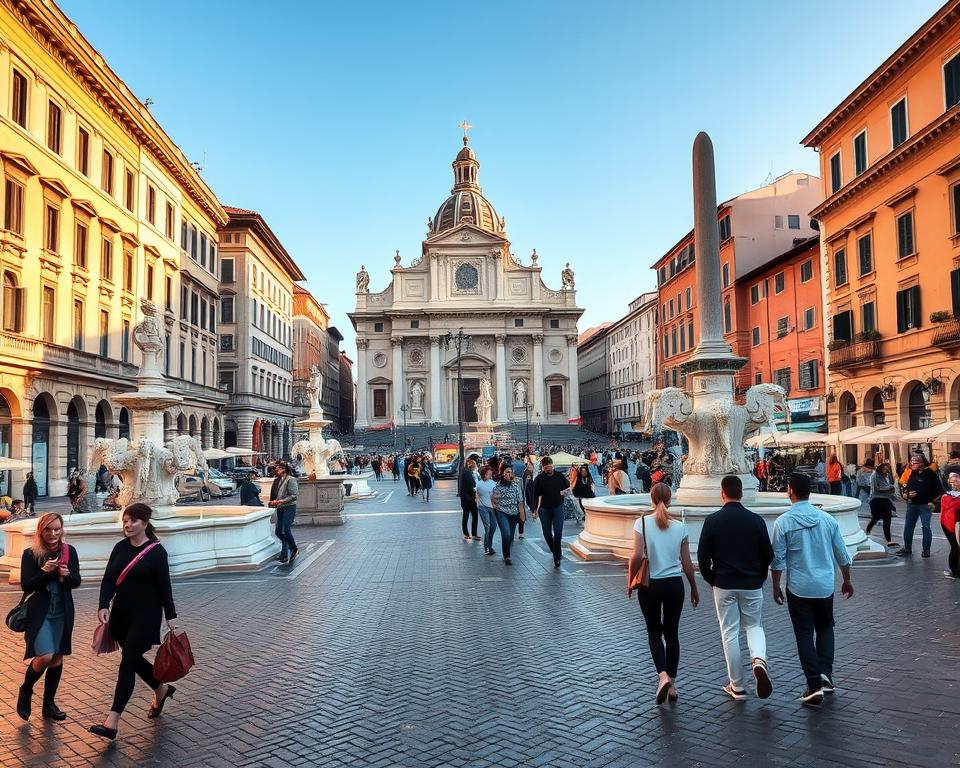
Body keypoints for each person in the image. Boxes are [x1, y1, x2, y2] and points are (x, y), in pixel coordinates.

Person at [90, 504, 179, 740]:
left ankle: (112, 720)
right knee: (132, 659)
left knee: (128, 663)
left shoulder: (157, 552)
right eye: (125, 521)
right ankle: (161, 689)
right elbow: (109, 579)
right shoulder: (120, 548)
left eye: (133, 521)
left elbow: (164, 588)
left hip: (146, 616)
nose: (128, 525)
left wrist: (171, 618)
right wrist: (103, 604)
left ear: (145, 523)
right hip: (121, 615)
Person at [771, 473, 854, 706]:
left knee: (804, 633)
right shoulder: (827, 520)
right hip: (825, 585)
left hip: (798, 586)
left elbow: (778, 560)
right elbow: (843, 556)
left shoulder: (783, 522)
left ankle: (813, 683)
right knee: (826, 627)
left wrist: (775, 585)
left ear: (790, 491)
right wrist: (846, 580)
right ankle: (825, 674)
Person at [697, 476, 774, 700]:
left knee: (729, 632)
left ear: (722, 493)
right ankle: (759, 659)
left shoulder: (712, 521)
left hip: (724, 583)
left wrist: (712, 579)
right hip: (751, 583)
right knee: (754, 626)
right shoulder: (756, 520)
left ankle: (737, 685)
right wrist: (759, 576)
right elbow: (768, 554)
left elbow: (703, 557)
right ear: (741, 493)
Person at [627, 483, 698, 704]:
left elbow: (636, 556)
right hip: (674, 585)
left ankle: (662, 676)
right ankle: (673, 684)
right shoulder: (680, 527)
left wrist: (630, 582)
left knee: (654, 632)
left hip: (650, 586)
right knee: (672, 633)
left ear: (651, 497)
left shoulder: (642, 523)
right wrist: (694, 587)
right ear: (670, 500)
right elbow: (687, 563)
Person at [17, 513, 81, 721]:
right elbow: (27, 585)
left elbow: (76, 582)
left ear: (62, 529)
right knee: (44, 655)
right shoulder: (31, 554)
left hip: (63, 611)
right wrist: (45, 571)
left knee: (57, 656)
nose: (53, 533)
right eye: (48, 529)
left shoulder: (69, 551)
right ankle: (26, 690)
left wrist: (67, 576)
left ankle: (49, 705)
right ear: (40, 531)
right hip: (41, 613)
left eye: (57, 529)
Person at [896, 453, 941, 558]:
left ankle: (926, 550)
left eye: (915, 462)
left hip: (925, 505)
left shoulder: (930, 473)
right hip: (912, 505)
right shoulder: (911, 473)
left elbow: (939, 490)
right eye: (911, 462)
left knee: (925, 527)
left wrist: (933, 502)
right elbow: (904, 488)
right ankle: (907, 547)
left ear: (922, 463)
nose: (912, 464)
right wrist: (906, 495)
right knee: (908, 526)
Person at [532, 456, 571, 568]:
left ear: (552, 466)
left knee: (558, 533)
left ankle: (557, 558)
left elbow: (569, 486)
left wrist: (565, 491)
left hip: (558, 507)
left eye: (549, 467)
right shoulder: (539, 478)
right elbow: (535, 494)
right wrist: (534, 509)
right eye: (546, 468)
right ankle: (554, 549)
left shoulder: (559, 476)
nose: (548, 470)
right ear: (543, 468)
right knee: (547, 533)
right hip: (544, 509)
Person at [493, 466, 525, 565]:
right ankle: (507, 556)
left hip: (514, 513)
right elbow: (493, 500)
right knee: (506, 534)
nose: (509, 474)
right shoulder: (497, 486)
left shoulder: (516, 486)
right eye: (507, 472)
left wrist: (522, 515)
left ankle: (507, 549)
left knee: (510, 536)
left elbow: (520, 501)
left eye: (511, 472)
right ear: (503, 473)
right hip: (502, 512)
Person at [268, 462, 299, 565]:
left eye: (278, 468)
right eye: (276, 468)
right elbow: (275, 494)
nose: (276, 470)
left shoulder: (291, 479)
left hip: (289, 507)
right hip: (280, 508)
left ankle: (293, 548)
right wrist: (273, 502)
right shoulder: (277, 480)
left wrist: (282, 501)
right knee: (278, 532)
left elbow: (294, 495)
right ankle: (285, 553)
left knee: (286, 529)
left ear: (284, 469)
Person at [866, 462, 898, 548]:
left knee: (887, 520)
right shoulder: (874, 476)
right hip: (877, 500)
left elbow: (888, 486)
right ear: (880, 469)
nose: (886, 471)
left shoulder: (885, 476)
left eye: (886, 469)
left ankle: (889, 540)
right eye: (884, 469)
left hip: (885, 500)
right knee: (875, 518)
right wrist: (888, 488)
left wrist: (891, 489)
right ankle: (867, 532)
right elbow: (876, 489)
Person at [940, 471, 960, 579]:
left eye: (956, 481)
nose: (954, 484)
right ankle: (954, 570)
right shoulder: (947, 496)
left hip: (956, 524)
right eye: (952, 482)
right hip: (950, 524)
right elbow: (951, 507)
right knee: (955, 546)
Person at [476, 466, 498, 556]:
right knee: (487, 527)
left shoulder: (492, 482)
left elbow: (496, 494)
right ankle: (487, 547)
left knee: (493, 527)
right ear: (484, 474)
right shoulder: (479, 484)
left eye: (490, 473)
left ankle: (489, 545)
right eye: (488, 473)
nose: (490, 474)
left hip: (492, 508)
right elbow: (476, 494)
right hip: (483, 508)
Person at [459, 458, 480, 542]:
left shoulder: (465, 472)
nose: (475, 467)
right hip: (469, 498)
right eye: (474, 465)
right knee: (474, 516)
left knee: (466, 515)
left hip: (465, 498)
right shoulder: (468, 473)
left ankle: (466, 533)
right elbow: (472, 485)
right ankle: (472, 534)